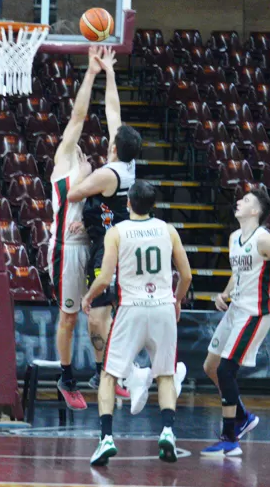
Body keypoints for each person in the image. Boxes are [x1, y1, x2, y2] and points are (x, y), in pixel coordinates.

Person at [82, 181, 192, 466]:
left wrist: (89, 296)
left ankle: (106, 437)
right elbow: (187, 276)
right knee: (166, 374)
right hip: (163, 309)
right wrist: (177, 300)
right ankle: (167, 431)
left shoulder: (116, 232)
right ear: (153, 205)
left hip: (131, 308)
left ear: (128, 203)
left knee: (108, 375)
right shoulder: (168, 230)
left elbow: (105, 278)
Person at [201, 188, 270, 457]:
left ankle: (230, 438)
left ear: (256, 211)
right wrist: (224, 293)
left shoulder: (264, 240)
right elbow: (239, 273)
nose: (238, 201)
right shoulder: (235, 237)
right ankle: (243, 417)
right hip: (236, 310)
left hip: (256, 313)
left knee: (225, 370)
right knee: (210, 366)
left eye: (246, 200)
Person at [66, 48, 142, 396]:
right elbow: (114, 111)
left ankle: (122, 371)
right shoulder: (128, 165)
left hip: (109, 251)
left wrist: (81, 170)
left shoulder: (107, 174)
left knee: (96, 315)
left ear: (113, 148)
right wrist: (109, 72)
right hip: (118, 243)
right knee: (105, 314)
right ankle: (109, 371)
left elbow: (73, 194)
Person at [49, 46, 101, 410]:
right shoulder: (65, 160)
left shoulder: (93, 168)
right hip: (66, 247)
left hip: (90, 246)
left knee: (100, 314)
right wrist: (91, 74)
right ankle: (66, 376)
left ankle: (107, 372)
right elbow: (79, 114)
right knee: (68, 315)